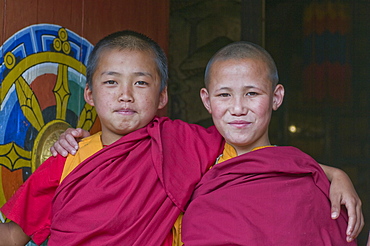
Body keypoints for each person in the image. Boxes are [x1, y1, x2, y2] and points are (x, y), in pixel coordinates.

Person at [1, 31, 362, 246]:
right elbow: (13, 236)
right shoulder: (68, 160)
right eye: (111, 82)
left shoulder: (186, 145)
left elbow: (268, 162)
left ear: (163, 97)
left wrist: (335, 174)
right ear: (90, 95)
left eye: (141, 82)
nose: (126, 95)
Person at [180, 41, 361, 245]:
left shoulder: (304, 178)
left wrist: (337, 175)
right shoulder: (192, 158)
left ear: (276, 97)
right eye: (224, 95)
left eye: (252, 93)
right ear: (206, 101)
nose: (238, 108)